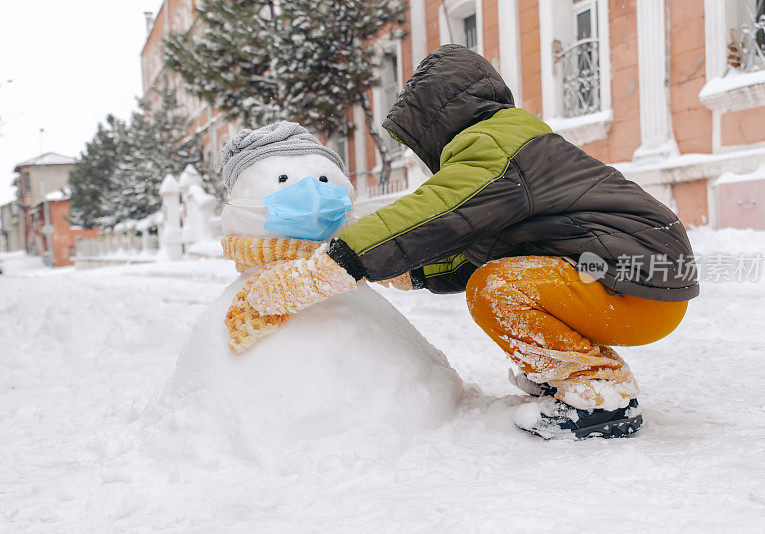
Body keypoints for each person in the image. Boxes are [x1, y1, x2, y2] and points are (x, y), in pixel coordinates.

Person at [247, 44, 699, 440]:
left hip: (633, 283)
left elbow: (435, 212)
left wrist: (339, 260)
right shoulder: (513, 139)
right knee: (503, 275)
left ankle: (599, 393)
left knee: (495, 287)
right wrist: (418, 272)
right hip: (640, 282)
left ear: (436, 119)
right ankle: (573, 378)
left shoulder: (494, 143)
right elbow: (496, 242)